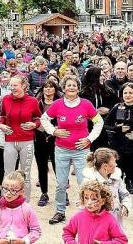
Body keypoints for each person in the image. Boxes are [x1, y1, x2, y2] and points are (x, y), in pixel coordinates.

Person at [40, 75, 104, 225]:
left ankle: (85, 212)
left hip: (82, 151)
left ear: (78, 88)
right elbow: (44, 119)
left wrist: (90, 139)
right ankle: (60, 211)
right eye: (68, 85)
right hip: (61, 149)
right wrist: (53, 131)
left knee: (84, 183)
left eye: (74, 85)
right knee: (61, 183)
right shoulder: (57, 104)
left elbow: (99, 122)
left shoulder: (86, 104)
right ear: (63, 87)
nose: (71, 87)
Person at [82, 149, 130, 244]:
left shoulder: (117, 177)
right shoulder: (89, 181)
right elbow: (84, 202)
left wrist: (125, 206)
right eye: (113, 163)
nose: (115, 164)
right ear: (105, 166)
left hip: (114, 224)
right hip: (96, 227)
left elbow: (125, 194)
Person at [103, 83, 133, 222]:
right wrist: (118, 129)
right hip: (117, 152)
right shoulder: (116, 108)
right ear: (121, 95)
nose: (128, 95)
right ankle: (113, 208)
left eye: (131, 93)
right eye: (125, 93)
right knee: (114, 180)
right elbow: (106, 125)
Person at [0, 76, 41, 200]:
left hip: (26, 140)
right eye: (11, 85)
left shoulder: (32, 101)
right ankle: (5, 200)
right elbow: (2, 116)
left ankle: (24, 202)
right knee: (8, 173)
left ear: (23, 86)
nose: (12, 88)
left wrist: (34, 125)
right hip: (10, 140)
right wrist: (1, 125)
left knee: (25, 173)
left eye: (15, 85)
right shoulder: (5, 99)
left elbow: (38, 118)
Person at [33, 80, 59, 206]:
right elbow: (32, 117)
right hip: (40, 137)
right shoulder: (37, 103)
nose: (48, 90)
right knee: (41, 166)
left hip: (57, 137)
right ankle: (44, 193)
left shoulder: (61, 102)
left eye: (51, 87)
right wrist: (37, 125)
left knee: (59, 166)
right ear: (42, 90)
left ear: (55, 89)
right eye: (46, 87)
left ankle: (62, 193)